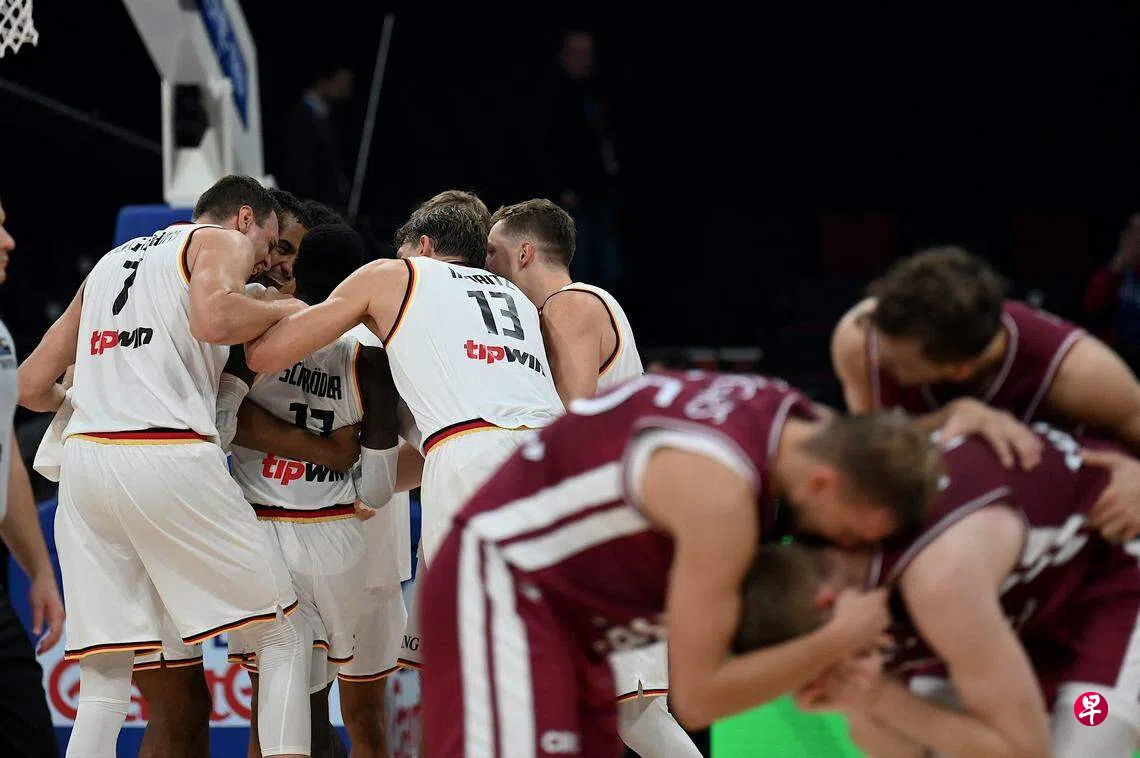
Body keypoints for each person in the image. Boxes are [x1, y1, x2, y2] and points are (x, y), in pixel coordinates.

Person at [418, 370, 942, 756]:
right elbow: (698, 697)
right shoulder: (720, 496)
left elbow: (888, 439)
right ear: (826, 483)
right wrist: (838, 638)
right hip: (503, 587)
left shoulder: (790, 412)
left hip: (575, 611)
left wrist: (967, 417)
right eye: (849, 533)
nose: (840, 546)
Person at [18, 175, 313, 758]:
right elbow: (214, 319)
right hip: (164, 452)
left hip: (86, 467)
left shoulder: (108, 265)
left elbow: (29, 385)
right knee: (284, 633)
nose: (262, 261)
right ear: (245, 218)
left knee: (104, 684)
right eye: (266, 242)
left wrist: (85, 397)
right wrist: (294, 308)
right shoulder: (219, 240)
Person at [244, 190, 564, 669]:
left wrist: (271, 303)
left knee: (471, 662)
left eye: (404, 252)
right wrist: (366, 481)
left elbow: (266, 355)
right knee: (541, 653)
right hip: (556, 460)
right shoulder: (516, 298)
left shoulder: (396, 276)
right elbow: (469, 431)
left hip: (470, 460)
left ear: (425, 247)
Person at [754, 425, 1140, 758]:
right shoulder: (838, 545)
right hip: (1014, 614)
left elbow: (1026, 752)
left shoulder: (939, 581)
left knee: (1086, 738)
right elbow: (904, 750)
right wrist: (857, 703)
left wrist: (880, 698)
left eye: (822, 660)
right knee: (940, 733)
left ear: (827, 603)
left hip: (1110, 589)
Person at [487, 199, 694, 756]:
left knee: (632, 712)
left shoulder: (570, 305)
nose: (485, 266)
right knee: (617, 713)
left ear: (524, 254)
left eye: (493, 253)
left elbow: (569, 422)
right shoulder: (588, 304)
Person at [831, 245, 1140, 541]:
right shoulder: (858, 339)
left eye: (893, 364)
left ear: (960, 370)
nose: (876, 358)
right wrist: (948, 416)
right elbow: (867, 451)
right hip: (945, 519)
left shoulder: (1079, 372)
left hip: (1063, 531)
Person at [0, 197, 65, 758]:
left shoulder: (1, 340)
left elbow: (4, 459)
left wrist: (40, 571)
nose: (9, 242)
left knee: (29, 737)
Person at [279, 62, 355, 210]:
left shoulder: (329, 117)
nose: (347, 91)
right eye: (343, 83)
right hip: (310, 205)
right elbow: (301, 169)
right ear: (324, 81)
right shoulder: (301, 118)